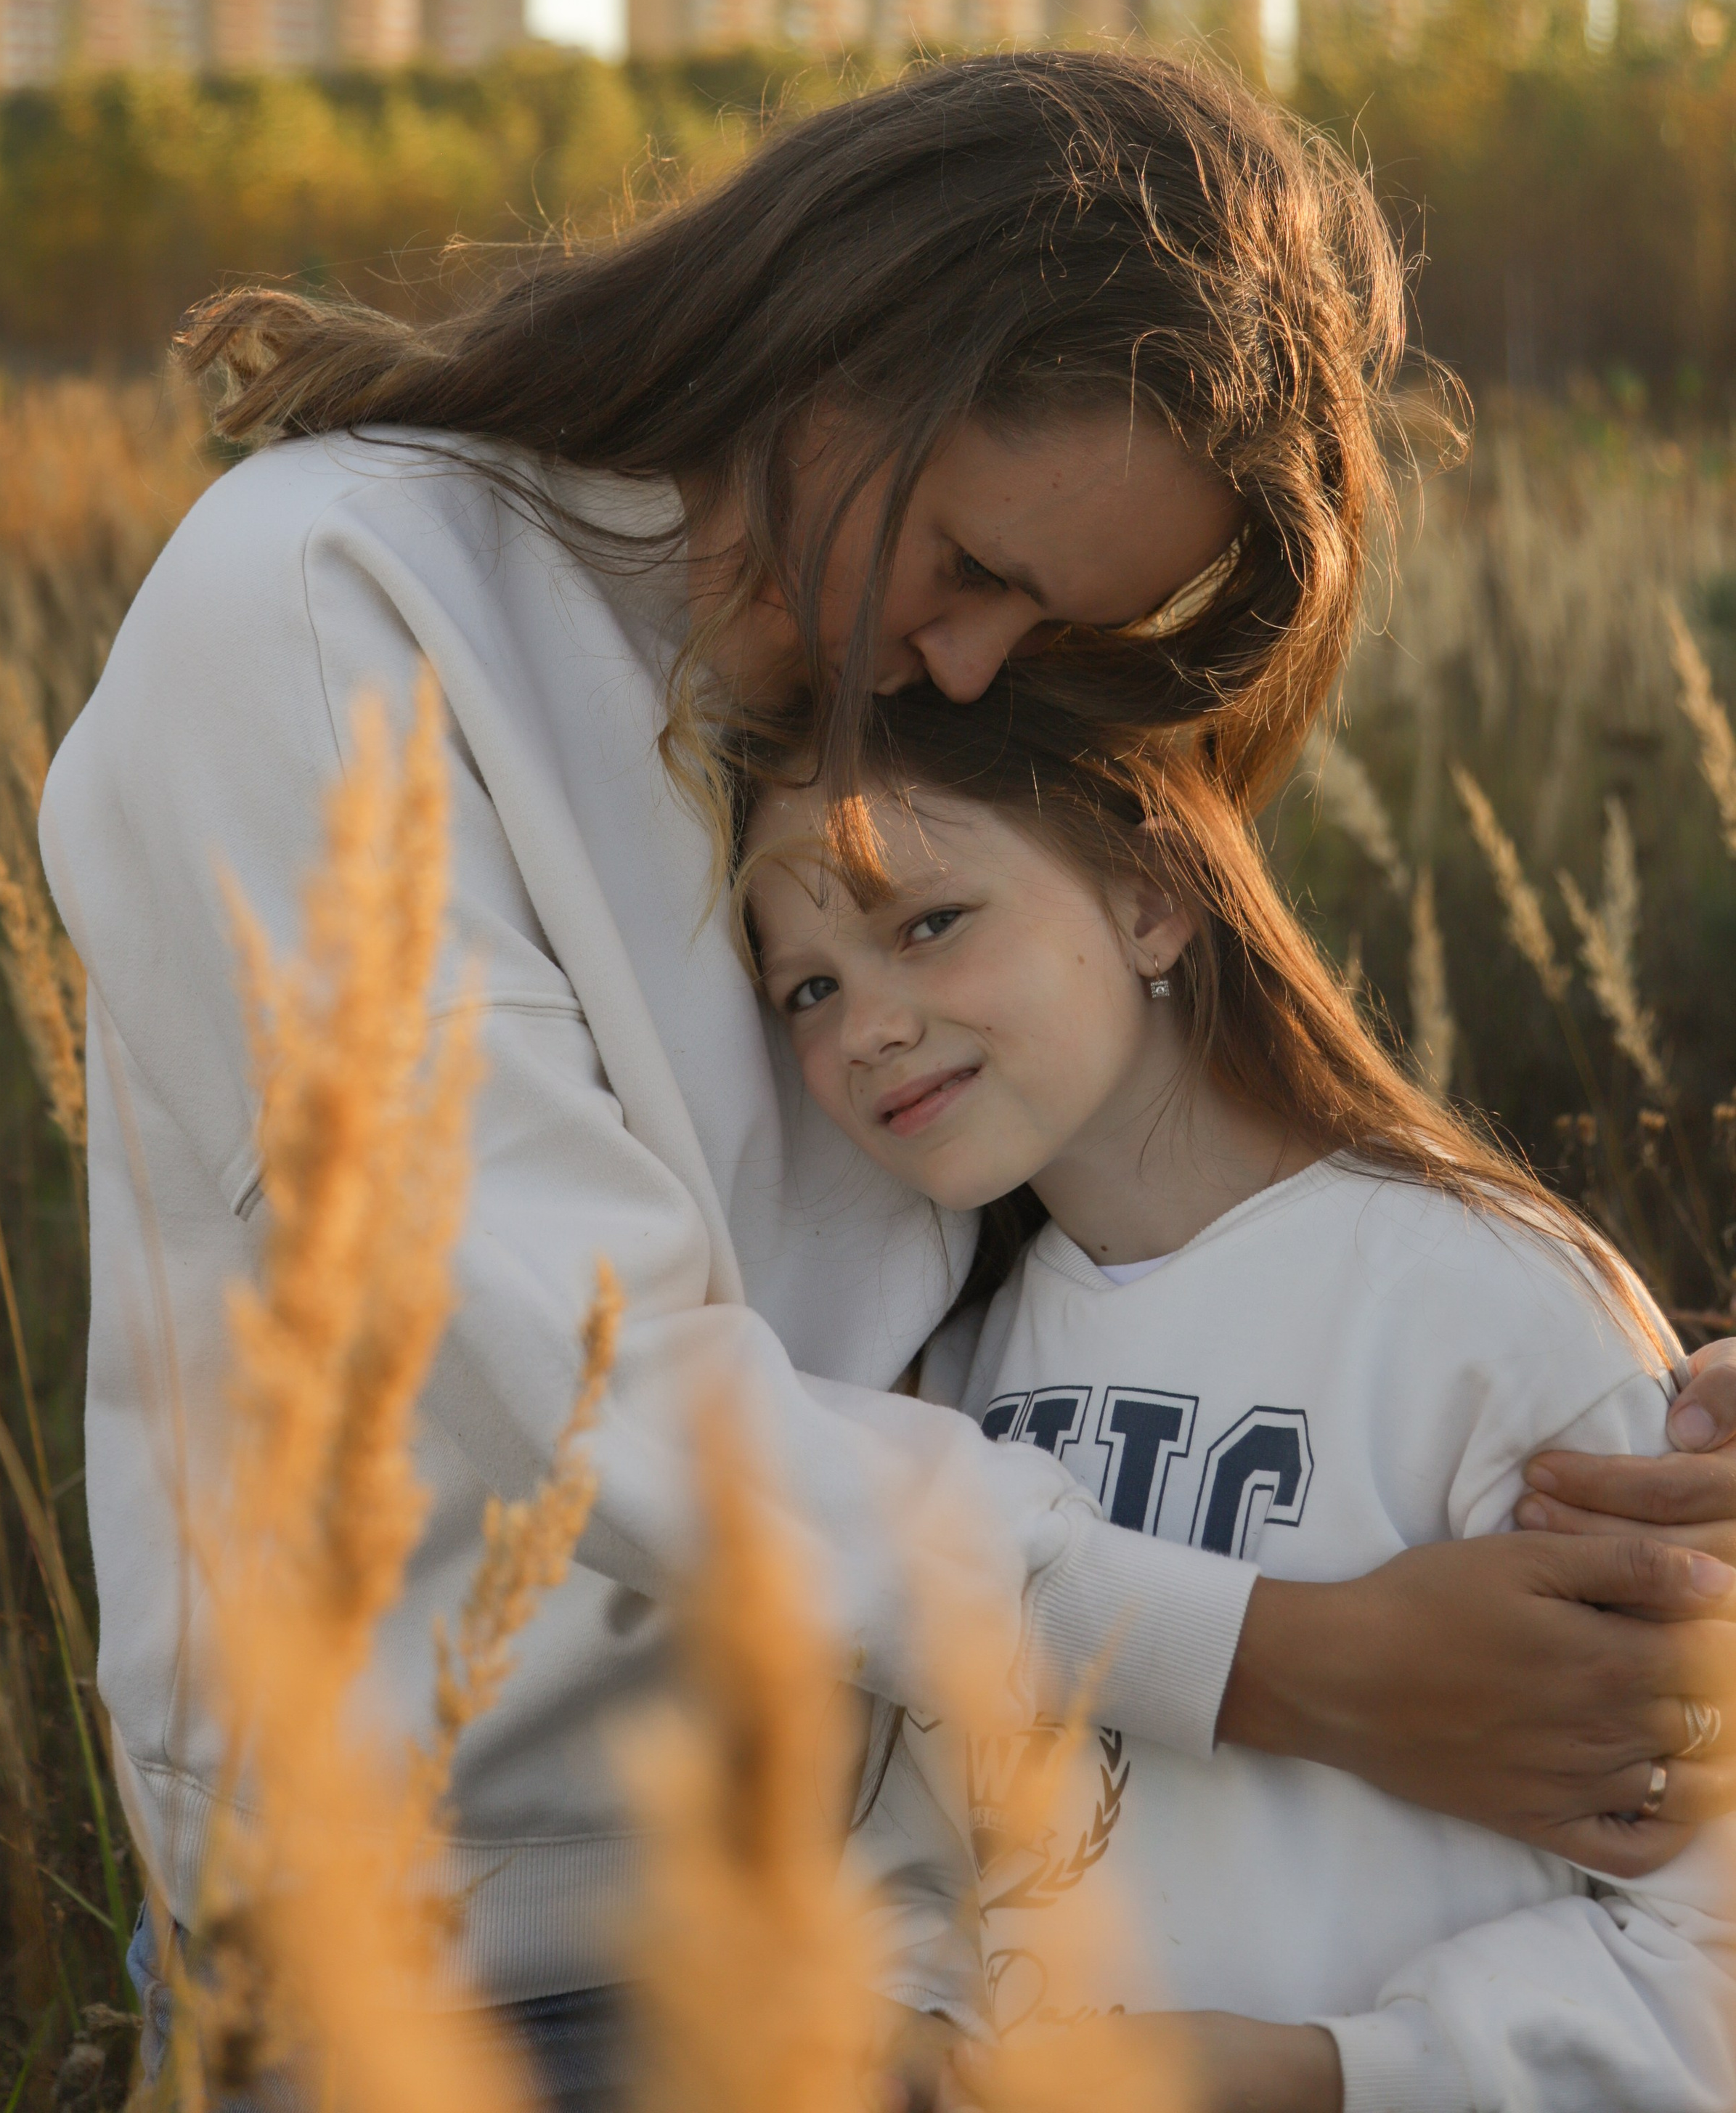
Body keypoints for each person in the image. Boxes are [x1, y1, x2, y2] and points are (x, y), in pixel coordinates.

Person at [39, 51, 1736, 2112]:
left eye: (1037, 624)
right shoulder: (332, 603)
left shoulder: (865, 706)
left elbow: (1154, 1212)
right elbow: (595, 1392)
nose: (961, 668)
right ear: (853, 329)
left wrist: (1627, 1413)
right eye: (970, 563)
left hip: (898, 1952)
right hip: (482, 1958)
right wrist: (1302, 1667)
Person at [739, 683, 1736, 2112]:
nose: (868, 1029)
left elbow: (1697, 1943)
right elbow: (915, 1856)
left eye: (926, 923)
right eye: (807, 989)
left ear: (1149, 900)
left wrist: (1322, 2075)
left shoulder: (1481, 1307)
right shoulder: (943, 1384)